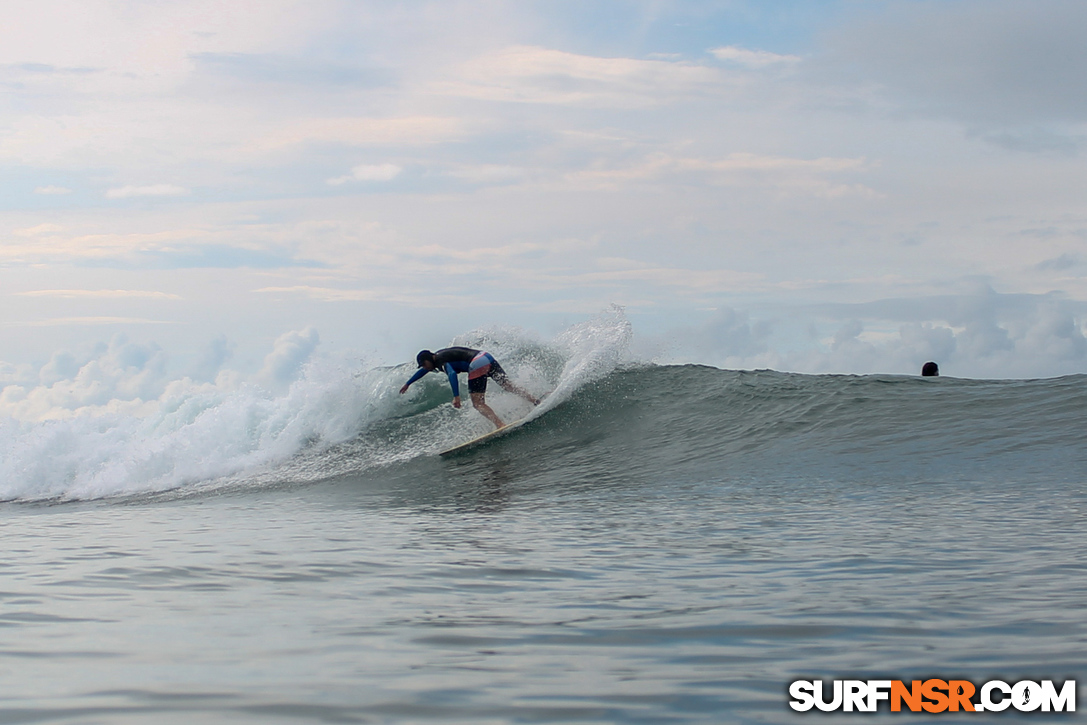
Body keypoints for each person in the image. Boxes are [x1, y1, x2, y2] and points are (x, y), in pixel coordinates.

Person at [399, 347, 539, 428]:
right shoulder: (438, 355)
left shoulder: (440, 361)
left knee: (478, 403)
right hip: (485, 356)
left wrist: (456, 396)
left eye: (424, 364)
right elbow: (423, 371)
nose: (425, 368)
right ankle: (535, 400)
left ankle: (500, 424)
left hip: (476, 363)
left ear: (428, 360)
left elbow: (452, 373)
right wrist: (408, 383)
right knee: (507, 385)